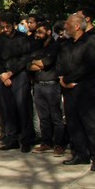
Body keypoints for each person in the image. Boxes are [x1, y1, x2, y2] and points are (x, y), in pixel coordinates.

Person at [56, 14, 95, 171]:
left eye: (68, 24)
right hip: (69, 90)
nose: (65, 27)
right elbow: (60, 63)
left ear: (77, 26)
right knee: (73, 123)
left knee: (92, 124)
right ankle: (80, 154)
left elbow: (88, 66)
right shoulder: (66, 44)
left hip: (86, 89)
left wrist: (68, 79)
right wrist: (62, 79)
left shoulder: (91, 42)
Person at [0, 12, 36, 152]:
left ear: (14, 25)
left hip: (19, 76)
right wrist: (2, 74)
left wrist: (11, 73)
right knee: (8, 109)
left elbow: (25, 59)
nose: (5, 29)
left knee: (23, 108)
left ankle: (26, 139)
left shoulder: (23, 39)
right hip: (4, 76)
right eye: (3, 27)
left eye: (7, 27)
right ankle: (11, 138)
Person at [28, 21, 65, 155]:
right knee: (43, 117)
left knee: (56, 117)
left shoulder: (55, 46)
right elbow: (28, 65)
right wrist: (37, 64)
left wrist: (38, 63)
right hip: (38, 85)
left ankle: (59, 143)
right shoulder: (37, 46)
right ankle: (47, 142)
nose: (37, 35)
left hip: (51, 84)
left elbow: (47, 62)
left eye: (40, 32)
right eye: (36, 32)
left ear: (49, 32)